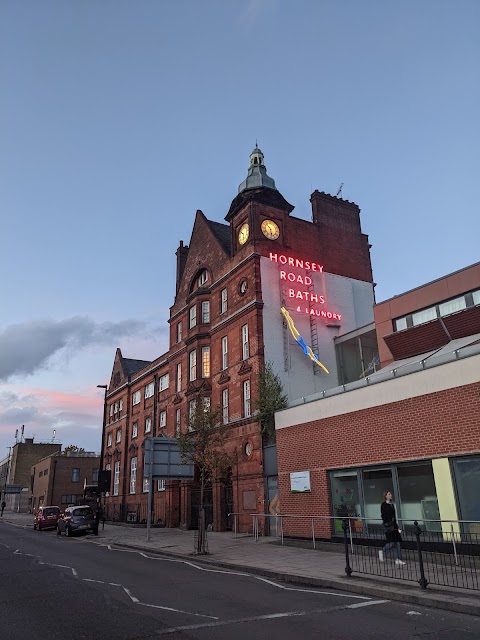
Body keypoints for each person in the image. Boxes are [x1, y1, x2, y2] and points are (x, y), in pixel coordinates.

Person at [379, 490, 406, 565]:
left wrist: (397, 526)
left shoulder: (392, 505)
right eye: (389, 494)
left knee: (397, 542)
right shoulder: (383, 505)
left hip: (394, 525)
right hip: (389, 526)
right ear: (386, 496)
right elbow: (383, 515)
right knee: (391, 543)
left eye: (390, 494)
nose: (391, 495)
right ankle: (383, 551)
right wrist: (387, 522)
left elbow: (394, 516)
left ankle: (398, 559)